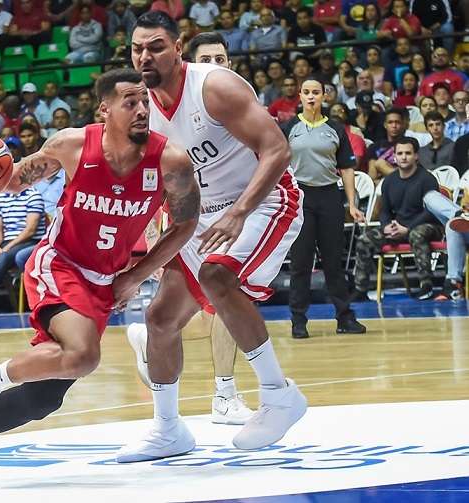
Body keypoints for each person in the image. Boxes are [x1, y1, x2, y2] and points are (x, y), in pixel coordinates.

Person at [0, 68, 200, 486]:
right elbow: (8, 180)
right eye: (129, 101)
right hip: (58, 264)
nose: (141, 109)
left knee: (41, 398)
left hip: (104, 281)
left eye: (144, 101)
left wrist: (136, 275)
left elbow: (184, 225)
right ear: (105, 109)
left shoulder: (171, 160)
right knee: (84, 355)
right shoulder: (72, 144)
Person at [118, 11, 306, 462]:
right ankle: (167, 430)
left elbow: (277, 149)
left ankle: (279, 394)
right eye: (138, 48)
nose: (146, 56)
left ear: (178, 47)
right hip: (201, 217)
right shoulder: (139, 110)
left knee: (218, 277)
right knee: (160, 317)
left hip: (263, 201)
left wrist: (240, 214)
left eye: (156, 46)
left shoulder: (214, 87)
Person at [282, 79, 366, 339]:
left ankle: (344, 317)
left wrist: (352, 203)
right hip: (300, 198)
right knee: (301, 262)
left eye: (315, 93)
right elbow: (276, 163)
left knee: (333, 261)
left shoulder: (335, 128)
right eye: (306, 92)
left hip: (330, 195)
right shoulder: (289, 128)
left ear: (323, 96)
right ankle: (298, 321)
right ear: (300, 96)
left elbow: (348, 168)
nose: (310, 97)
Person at [351, 137, 443, 301]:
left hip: (428, 226)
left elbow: (431, 211)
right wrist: (387, 226)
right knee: (365, 239)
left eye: (408, 153)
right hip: (398, 227)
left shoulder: (427, 179)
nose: (404, 157)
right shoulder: (389, 181)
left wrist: (407, 228)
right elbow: (385, 211)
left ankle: (426, 285)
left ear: (416, 156)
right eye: (400, 153)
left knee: (417, 233)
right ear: (394, 156)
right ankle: (360, 288)